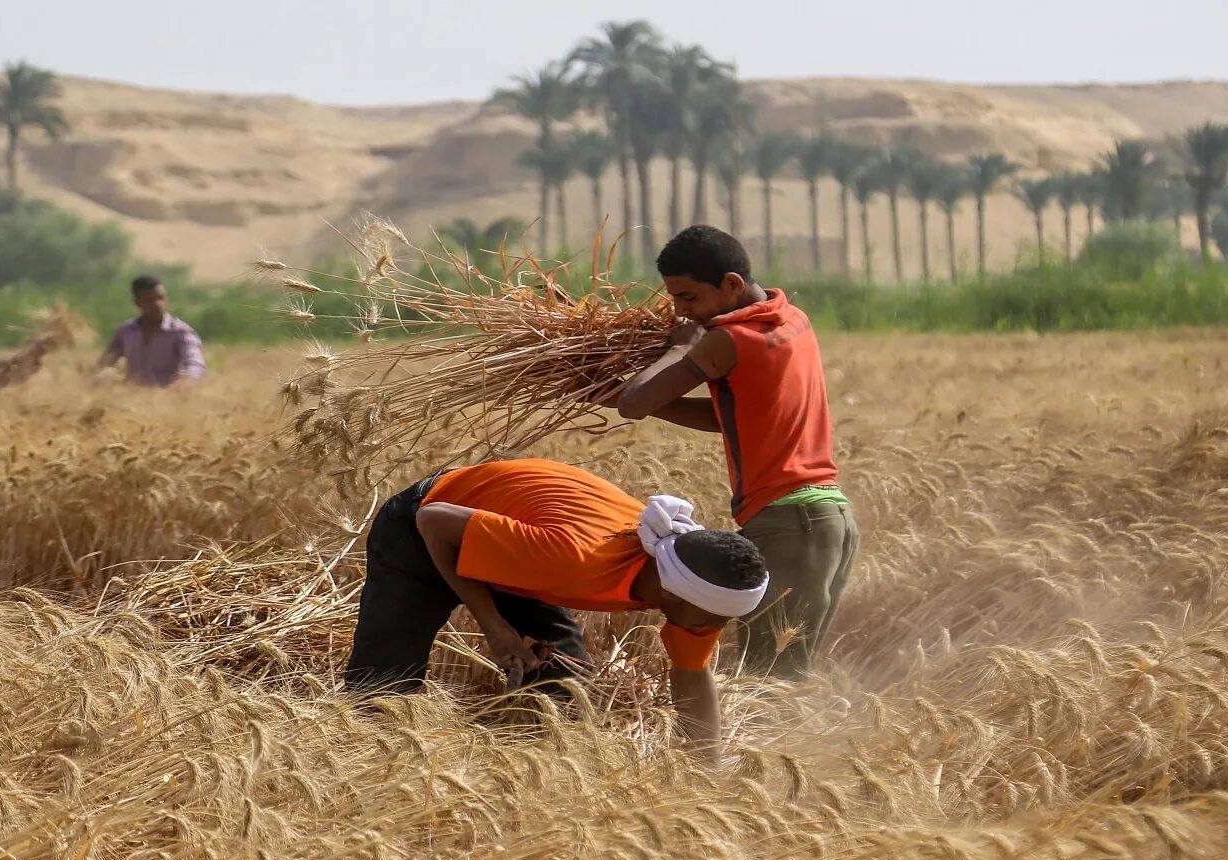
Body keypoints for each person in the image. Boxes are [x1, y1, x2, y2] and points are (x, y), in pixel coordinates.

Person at [342, 458, 769, 756]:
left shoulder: (694, 589)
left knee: (564, 687)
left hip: (517, 539)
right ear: (674, 592)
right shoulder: (574, 559)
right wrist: (492, 622)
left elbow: (692, 677)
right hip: (423, 525)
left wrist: (707, 773)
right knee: (384, 683)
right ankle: (365, 770)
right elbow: (434, 520)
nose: (715, 628)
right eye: (714, 619)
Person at [611, 225, 856, 679]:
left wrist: (679, 351)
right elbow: (728, 417)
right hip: (827, 521)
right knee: (784, 675)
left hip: (789, 527)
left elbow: (632, 404)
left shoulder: (729, 339)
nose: (681, 311)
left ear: (731, 285)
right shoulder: (791, 319)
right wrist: (643, 400)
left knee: (769, 680)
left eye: (688, 298)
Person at [96, 275, 206, 387]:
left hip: (168, 399)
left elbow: (195, 363)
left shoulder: (180, 332)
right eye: (150, 300)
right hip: (132, 400)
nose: (158, 304)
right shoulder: (125, 331)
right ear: (137, 303)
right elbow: (105, 363)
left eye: (161, 298)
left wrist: (185, 383)